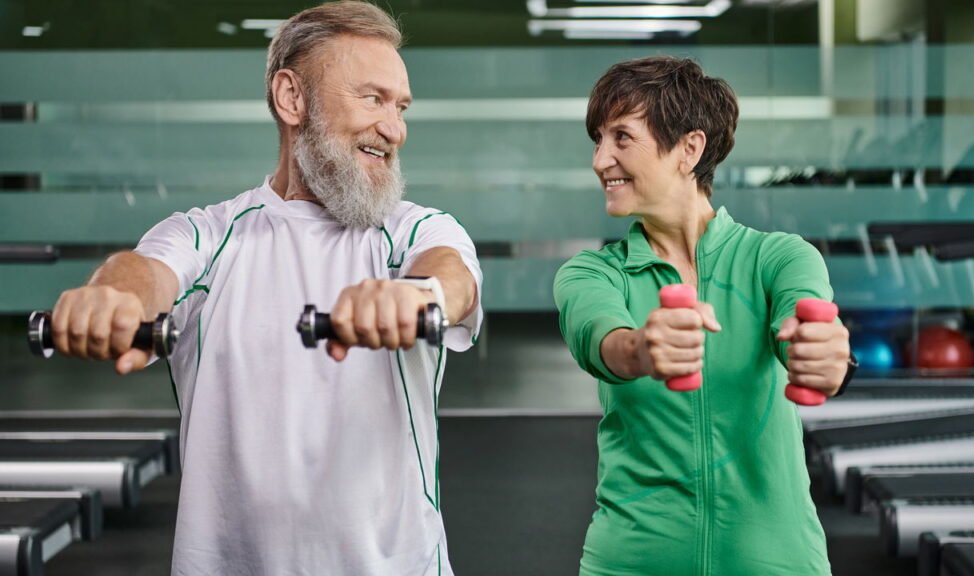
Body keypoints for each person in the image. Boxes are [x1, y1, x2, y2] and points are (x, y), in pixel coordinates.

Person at [47, 2, 482, 574]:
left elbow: (451, 277)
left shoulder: (413, 230)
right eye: (372, 99)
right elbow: (146, 272)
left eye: (400, 107)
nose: (394, 128)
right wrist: (111, 297)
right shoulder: (209, 235)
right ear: (292, 98)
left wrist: (416, 297)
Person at [554, 56, 852, 575]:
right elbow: (603, 338)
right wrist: (644, 348)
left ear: (689, 149)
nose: (601, 160)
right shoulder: (592, 274)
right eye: (597, 140)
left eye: (622, 138)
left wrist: (823, 356)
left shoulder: (778, 257)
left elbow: (806, 324)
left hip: (775, 559)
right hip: (633, 560)